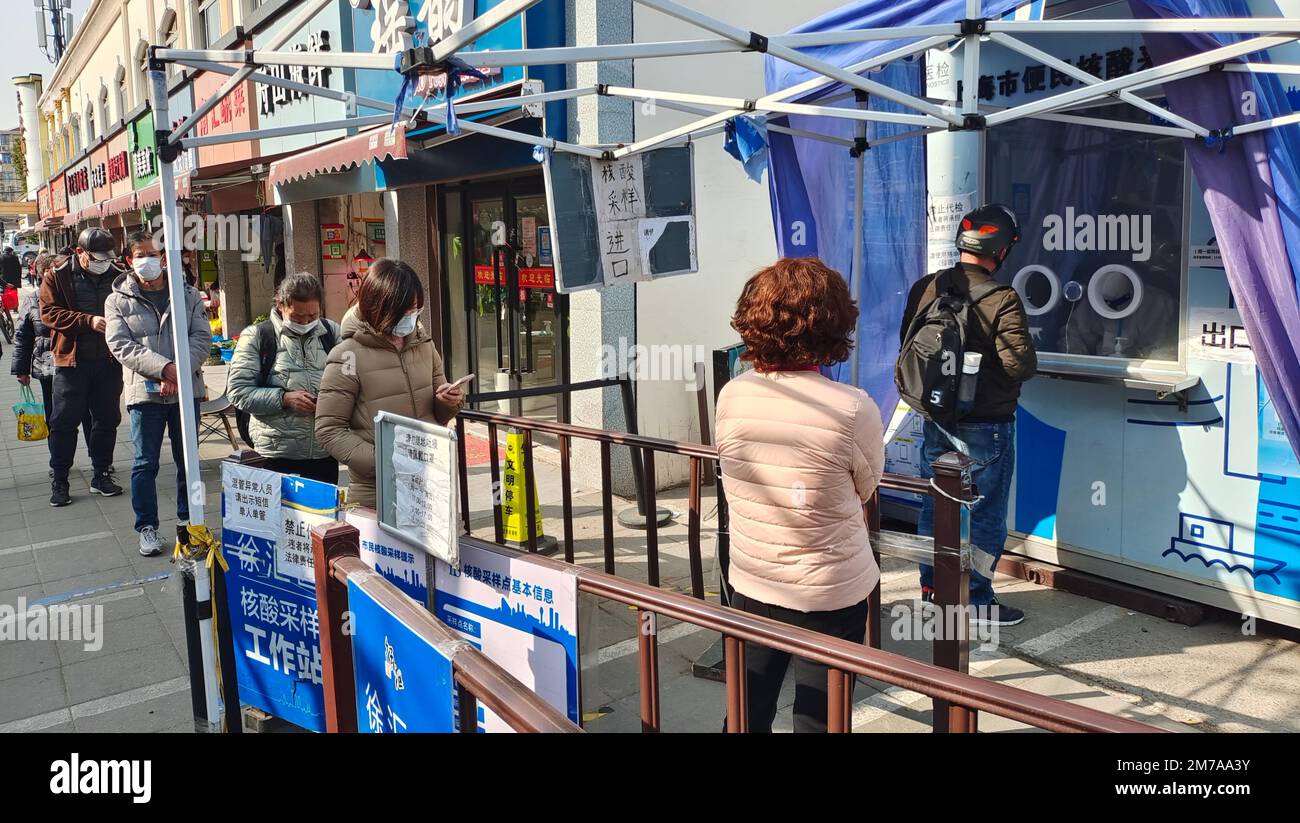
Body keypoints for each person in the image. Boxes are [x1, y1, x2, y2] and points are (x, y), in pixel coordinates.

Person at [714, 257, 885, 733]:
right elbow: (866, 486)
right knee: (819, 717)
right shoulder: (853, 408)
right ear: (833, 326)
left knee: (747, 707)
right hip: (831, 589)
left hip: (753, 577)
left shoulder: (732, 395)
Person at [899, 204, 1037, 627]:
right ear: (1002, 248)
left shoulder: (926, 286)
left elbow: (907, 341)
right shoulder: (1001, 298)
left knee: (936, 506)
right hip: (987, 425)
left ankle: (932, 591)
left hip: (936, 417)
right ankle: (974, 601)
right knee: (983, 512)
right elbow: (1019, 365)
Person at [315, 258, 464, 507]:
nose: (411, 317)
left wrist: (450, 401)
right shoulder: (348, 355)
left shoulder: (423, 345)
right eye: (403, 312)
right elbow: (329, 429)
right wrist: (384, 461)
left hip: (428, 481)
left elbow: (438, 409)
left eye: (415, 310)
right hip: (377, 491)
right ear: (378, 307)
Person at [104, 232, 210, 556]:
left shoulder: (187, 293)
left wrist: (177, 372)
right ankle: (147, 527)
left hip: (184, 390)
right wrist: (164, 369)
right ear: (128, 260)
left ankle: (188, 523)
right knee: (144, 463)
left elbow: (202, 337)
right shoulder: (117, 300)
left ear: (164, 257)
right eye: (140, 254)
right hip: (145, 393)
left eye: (153, 253)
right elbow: (120, 344)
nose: (147, 259)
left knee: (188, 462)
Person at [227, 272, 341, 484]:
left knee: (324, 516)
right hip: (275, 453)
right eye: (297, 317)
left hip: (324, 451)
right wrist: (284, 399)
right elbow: (238, 391)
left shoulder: (331, 332)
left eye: (313, 316)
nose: (306, 322)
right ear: (281, 305)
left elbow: (349, 379)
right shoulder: (257, 336)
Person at [41, 227, 126, 507]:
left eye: (107, 257)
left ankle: (101, 474)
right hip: (71, 361)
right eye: (97, 257)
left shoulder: (117, 275)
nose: (104, 262)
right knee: (64, 422)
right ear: (80, 253)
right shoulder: (58, 274)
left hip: (108, 361)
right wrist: (87, 321)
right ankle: (60, 480)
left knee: (107, 419)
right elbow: (49, 313)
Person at [11, 252, 93, 451]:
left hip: (77, 362)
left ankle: (98, 458)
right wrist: (21, 369)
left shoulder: (76, 294)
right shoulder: (33, 299)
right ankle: (58, 459)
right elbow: (23, 336)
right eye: (51, 272)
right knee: (56, 415)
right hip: (48, 366)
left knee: (87, 412)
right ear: (43, 275)